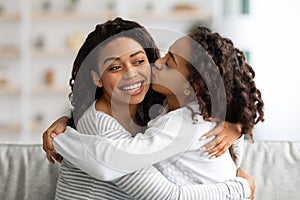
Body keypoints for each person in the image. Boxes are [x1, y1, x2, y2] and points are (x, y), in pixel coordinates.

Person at [43, 18, 255, 199]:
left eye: (139, 61)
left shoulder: (158, 106)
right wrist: (240, 188)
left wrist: (235, 128)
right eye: (115, 67)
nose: (132, 74)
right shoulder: (101, 124)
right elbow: (165, 196)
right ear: (97, 78)